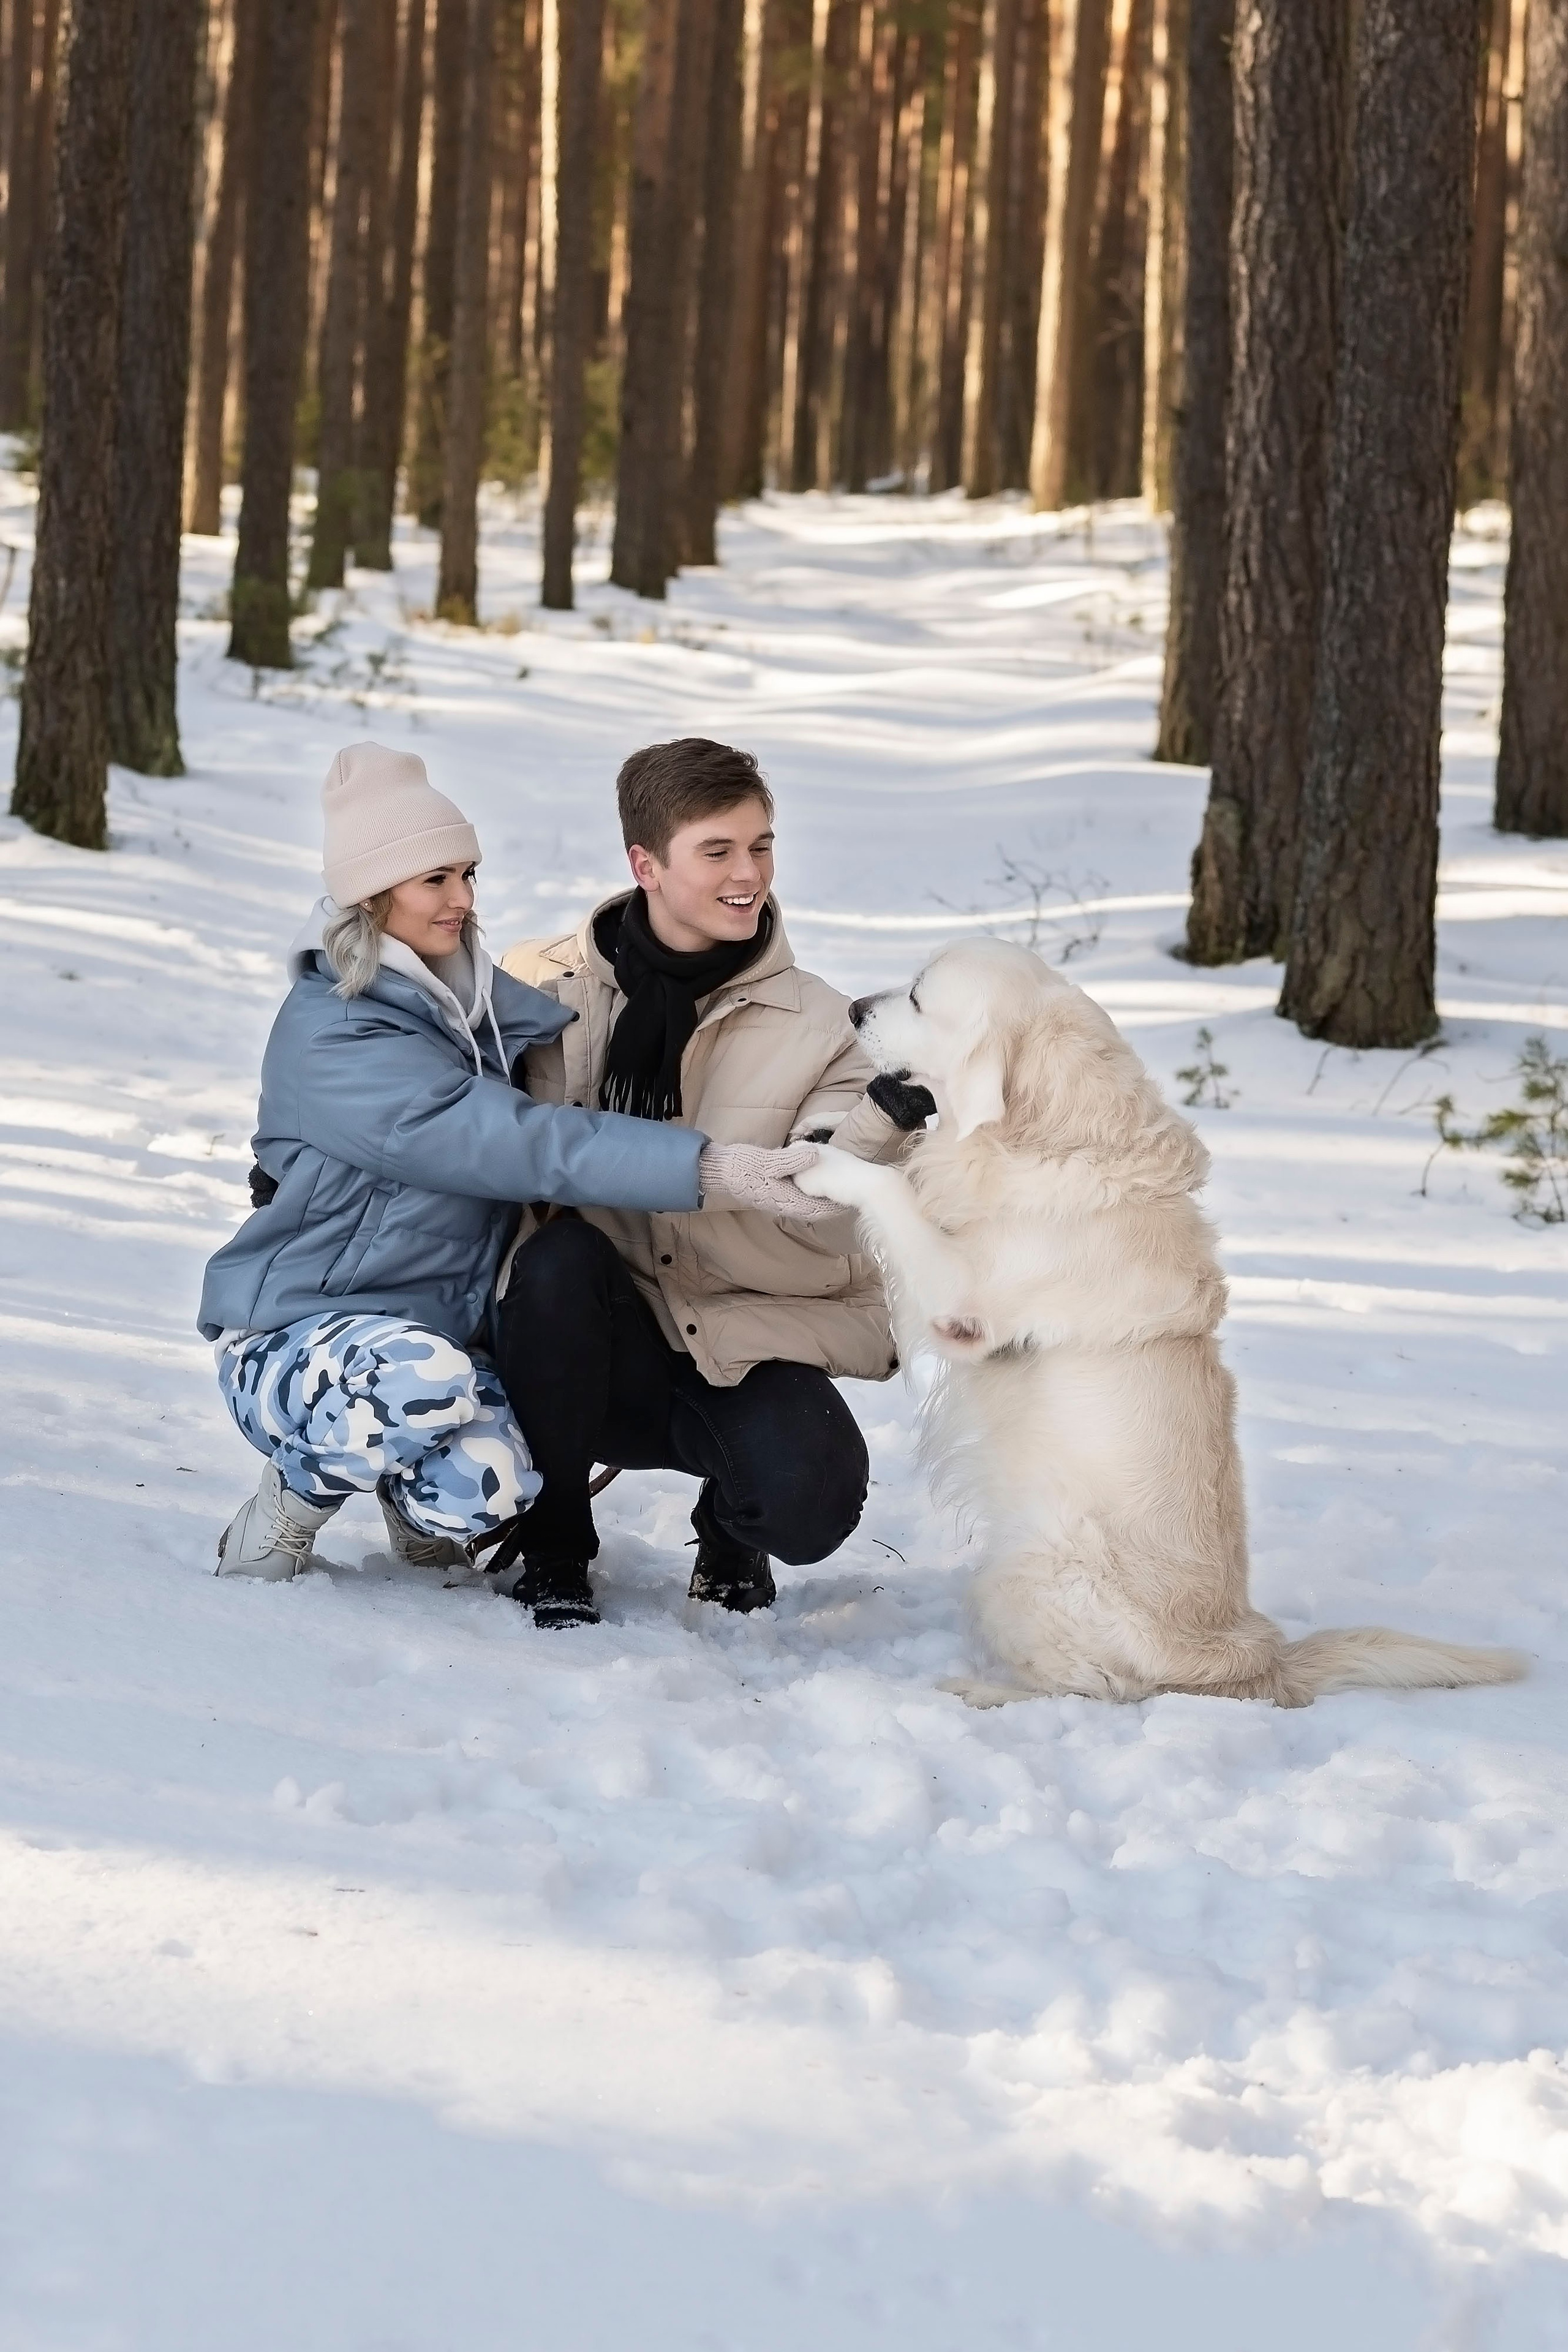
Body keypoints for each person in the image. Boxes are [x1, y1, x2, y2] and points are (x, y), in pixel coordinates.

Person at [199, 741, 826, 1625]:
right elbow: (520, 1141)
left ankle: (403, 1487)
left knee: (495, 1489)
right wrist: (711, 1166)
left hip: (445, 1343)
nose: (461, 899)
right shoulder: (336, 1034)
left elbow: (582, 1029)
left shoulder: (480, 1010)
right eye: (433, 881)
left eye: (467, 874)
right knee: (417, 1378)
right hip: (307, 1335)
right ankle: (294, 1493)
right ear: (370, 897)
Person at [494, 737, 934, 1629]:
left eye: (762, 845)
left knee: (810, 1504)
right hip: (582, 1336)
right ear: (645, 864)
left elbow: (829, 1165)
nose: (751, 874)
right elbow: (441, 1110)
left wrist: (876, 1131)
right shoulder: (543, 988)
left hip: (739, 1329)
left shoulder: (822, 1025)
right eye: (719, 850)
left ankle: (732, 1531)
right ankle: (556, 1535)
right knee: (555, 1263)